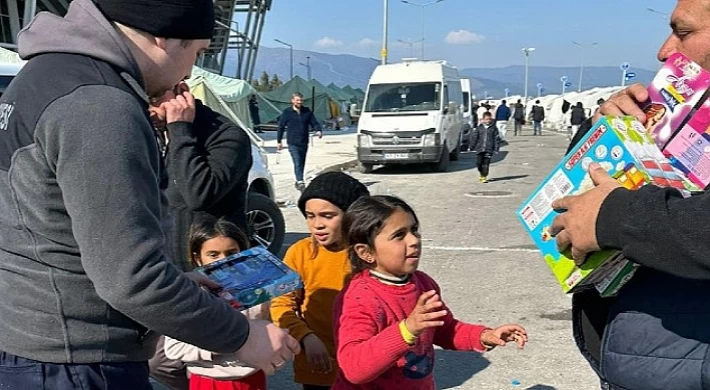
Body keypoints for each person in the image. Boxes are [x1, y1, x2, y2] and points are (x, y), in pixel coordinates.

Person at [0, 0, 298, 388]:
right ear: (163, 35)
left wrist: (178, 281)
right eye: (196, 50)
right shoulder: (100, 105)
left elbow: (53, 228)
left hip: (30, 340)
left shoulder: (41, 77)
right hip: (78, 360)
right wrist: (243, 336)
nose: (191, 68)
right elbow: (131, 279)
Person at [552, 2, 710, 388]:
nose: (664, 50)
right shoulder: (691, 112)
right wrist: (602, 134)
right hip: (649, 359)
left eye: (683, 32)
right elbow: (567, 198)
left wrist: (615, 217)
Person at [333, 195, 527, 389]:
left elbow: (445, 329)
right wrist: (407, 330)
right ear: (365, 252)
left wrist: (484, 335)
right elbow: (353, 368)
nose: (414, 240)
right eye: (399, 235)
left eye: (414, 230)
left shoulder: (423, 283)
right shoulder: (359, 298)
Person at [148, 82, 254, 389]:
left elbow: (198, 193)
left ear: (181, 92)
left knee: (226, 361)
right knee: (160, 359)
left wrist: (180, 128)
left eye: (156, 99)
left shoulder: (227, 137)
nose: (151, 110)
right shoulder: (160, 135)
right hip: (178, 271)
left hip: (222, 272)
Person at [270, 172, 370, 390]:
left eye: (327, 215)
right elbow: (281, 304)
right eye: (310, 215)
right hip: (318, 364)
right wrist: (306, 337)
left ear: (353, 215)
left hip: (365, 364)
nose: (317, 225)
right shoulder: (300, 253)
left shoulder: (370, 253)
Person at [165, 216, 269, 390]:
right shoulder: (191, 296)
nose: (223, 261)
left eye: (231, 253)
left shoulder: (257, 292)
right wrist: (221, 344)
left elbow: (268, 332)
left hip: (252, 379)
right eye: (213, 255)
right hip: (209, 381)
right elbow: (173, 348)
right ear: (197, 258)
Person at [277, 92, 323, 192]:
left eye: (301, 100)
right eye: (297, 100)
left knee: (301, 162)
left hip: (304, 141)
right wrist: (279, 141)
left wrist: (318, 130)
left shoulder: (307, 111)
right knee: (297, 161)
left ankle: (298, 180)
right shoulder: (287, 112)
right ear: (292, 101)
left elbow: (314, 122)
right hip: (292, 142)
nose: (299, 102)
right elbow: (281, 127)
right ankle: (300, 181)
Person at [470, 112, 500, 183]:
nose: (488, 121)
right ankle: (481, 173)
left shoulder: (494, 128)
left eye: (489, 119)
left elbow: (496, 139)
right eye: (486, 119)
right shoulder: (479, 128)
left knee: (486, 164)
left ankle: (484, 176)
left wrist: (496, 148)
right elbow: (475, 138)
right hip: (480, 149)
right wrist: (471, 147)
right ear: (483, 119)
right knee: (479, 163)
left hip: (489, 149)